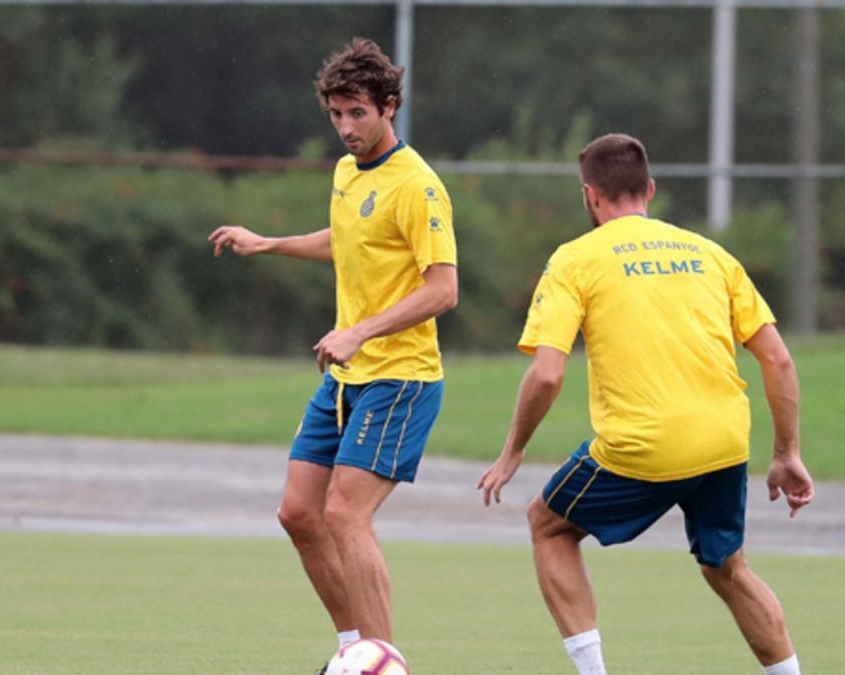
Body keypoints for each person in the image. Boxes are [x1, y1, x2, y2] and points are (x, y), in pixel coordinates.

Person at [478, 133, 813, 675]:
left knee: (548, 524)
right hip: (724, 442)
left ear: (589, 196)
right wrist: (786, 452)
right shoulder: (710, 254)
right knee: (726, 565)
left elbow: (546, 374)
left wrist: (513, 449)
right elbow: (778, 360)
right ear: (650, 190)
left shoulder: (575, 259)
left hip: (643, 448)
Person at [207, 38, 457, 669]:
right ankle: (354, 652)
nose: (346, 128)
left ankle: (384, 663)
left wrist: (359, 331)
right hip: (349, 377)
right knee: (299, 513)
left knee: (345, 513)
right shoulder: (347, 173)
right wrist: (268, 244)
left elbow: (443, 289)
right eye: (336, 115)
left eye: (358, 114)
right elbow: (347, 241)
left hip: (400, 378)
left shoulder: (419, 187)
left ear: (389, 107)